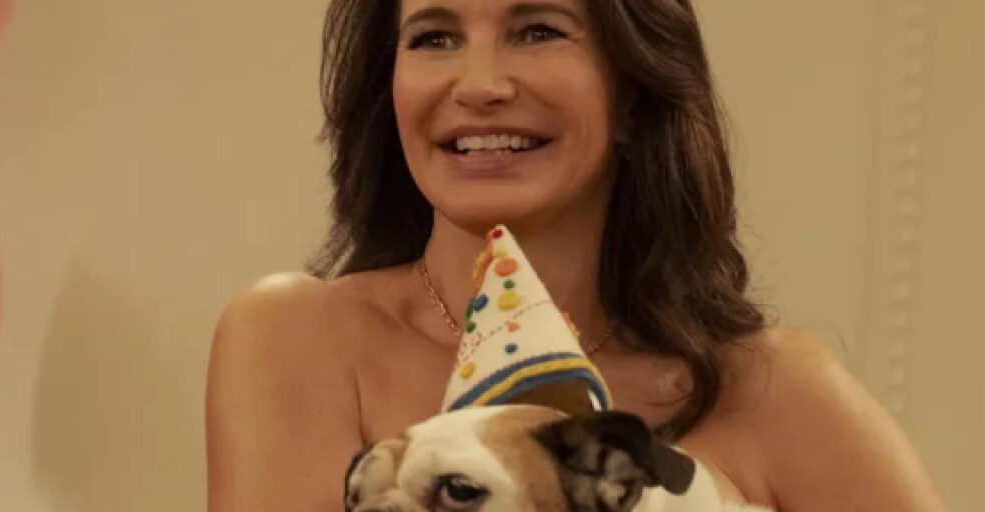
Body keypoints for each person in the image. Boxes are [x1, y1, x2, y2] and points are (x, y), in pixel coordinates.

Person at [205, 1, 948, 510]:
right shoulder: (296, 338)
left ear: (632, 93)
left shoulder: (777, 390)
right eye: (433, 37)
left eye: (538, 30)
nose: (480, 85)